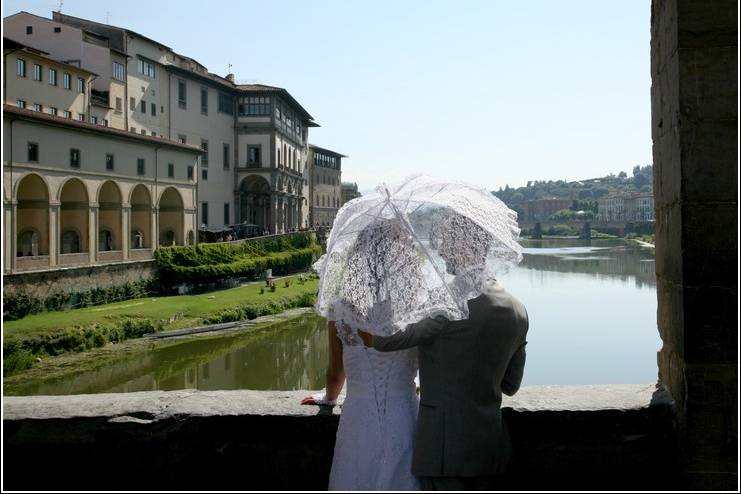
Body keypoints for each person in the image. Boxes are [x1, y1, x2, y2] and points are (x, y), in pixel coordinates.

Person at [359, 215, 529, 491]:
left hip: (444, 449)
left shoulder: (450, 301)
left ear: (465, 245)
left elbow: (385, 340)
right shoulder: (518, 309)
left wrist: (355, 313)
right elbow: (510, 386)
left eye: (446, 241)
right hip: (491, 446)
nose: (439, 249)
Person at [302, 219, 422, 491]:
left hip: (358, 417)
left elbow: (335, 373)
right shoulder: (416, 308)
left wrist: (328, 398)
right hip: (404, 415)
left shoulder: (342, 309)